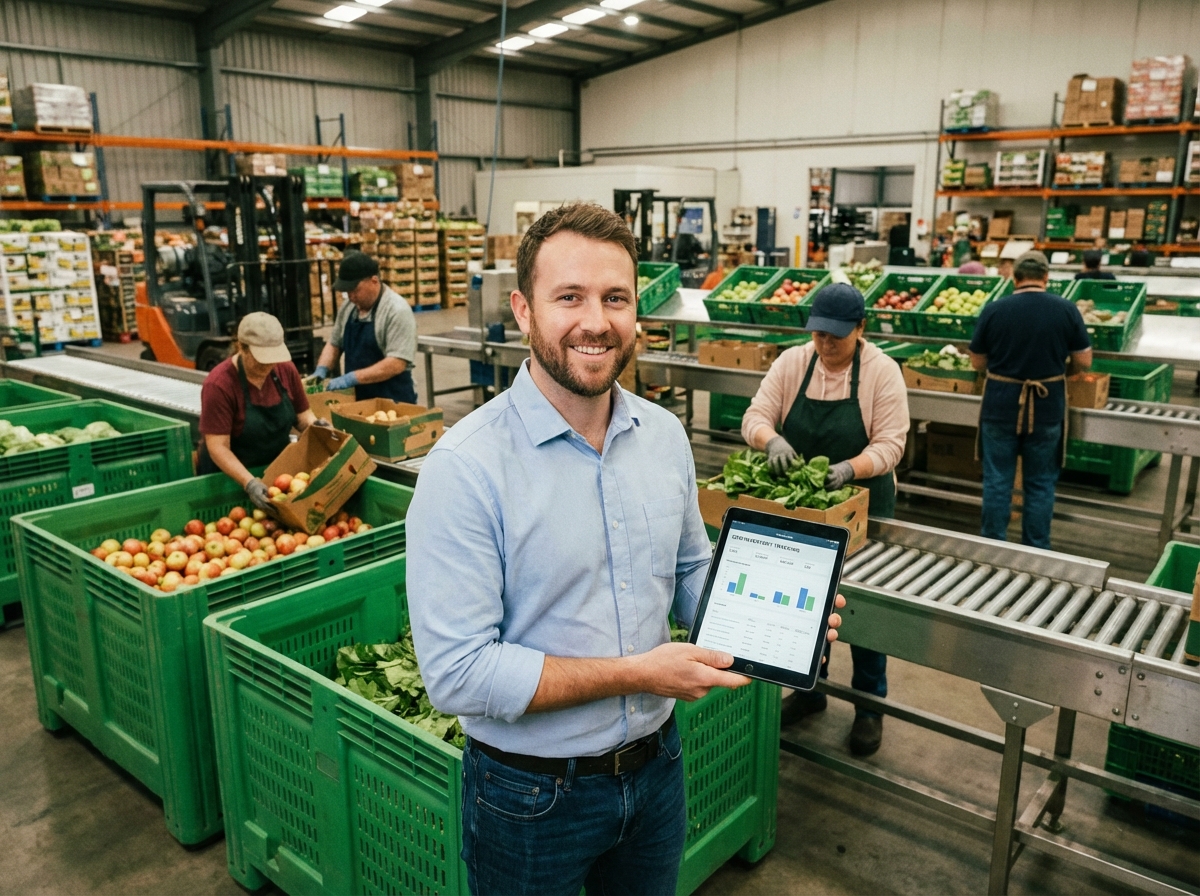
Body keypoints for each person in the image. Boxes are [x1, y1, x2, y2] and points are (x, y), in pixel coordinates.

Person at [405, 203, 844, 896]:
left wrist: (769, 625)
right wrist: (641, 672)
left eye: (615, 298)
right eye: (568, 297)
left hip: (657, 770)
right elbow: (458, 673)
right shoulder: (466, 467)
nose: (595, 321)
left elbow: (691, 569)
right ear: (523, 311)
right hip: (530, 799)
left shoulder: (665, 436)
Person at [741, 282, 908, 757]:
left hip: (862, 508)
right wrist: (768, 439)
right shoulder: (793, 362)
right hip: (805, 507)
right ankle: (811, 691)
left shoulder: (882, 372)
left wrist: (850, 468)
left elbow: (892, 444)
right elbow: (756, 415)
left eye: (837, 335)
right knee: (804, 603)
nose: (826, 344)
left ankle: (870, 707)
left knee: (866, 610)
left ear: (861, 328)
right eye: (819, 334)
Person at [969, 251, 1092, 549]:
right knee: (1040, 484)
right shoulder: (1067, 310)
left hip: (1000, 404)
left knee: (998, 482)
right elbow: (1084, 361)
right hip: (1047, 406)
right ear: (1046, 277)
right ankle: (1037, 551)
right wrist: (1063, 368)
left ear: (1014, 277)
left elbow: (976, 361)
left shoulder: (994, 309)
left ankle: (994, 548)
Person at [197, 312, 324, 511]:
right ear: (242, 347)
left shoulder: (286, 370)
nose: (268, 365)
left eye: (273, 357)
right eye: (261, 358)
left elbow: (302, 416)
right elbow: (218, 447)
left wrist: (317, 425)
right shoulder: (219, 385)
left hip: (273, 477)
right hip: (229, 481)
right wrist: (250, 483)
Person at [313, 251, 418, 403]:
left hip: (393, 400)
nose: (351, 296)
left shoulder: (396, 310)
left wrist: (352, 378)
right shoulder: (349, 307)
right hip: (359, 399)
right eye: (347, 292)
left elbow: (396, 363)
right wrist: (321, 369)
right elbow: (335, 343)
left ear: (374, 281)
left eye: (355, 290)